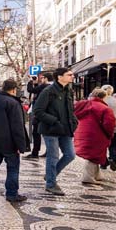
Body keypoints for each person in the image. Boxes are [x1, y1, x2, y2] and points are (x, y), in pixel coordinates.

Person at [32, 67, 78, 196]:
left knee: (70, 155)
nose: (72, 76)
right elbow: (38, 111)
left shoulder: (69, 90)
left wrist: (74, 121)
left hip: (66, 128)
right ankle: (51, 184)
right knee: (53, 157)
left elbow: (70, 109)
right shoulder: (48, 91)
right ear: (59, 77)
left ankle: (50, 175)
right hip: (51, 129)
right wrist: (54, 121)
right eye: (69, 74)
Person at [74, 88, 116, 184]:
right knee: (94, 155)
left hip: (82, 132)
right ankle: (88, 177)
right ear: (103, 97)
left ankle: (97, 175)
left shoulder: (83, 105)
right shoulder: (104, 108)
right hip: (97, 134)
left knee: (95, 154)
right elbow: (109, 124)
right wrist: (110, 135)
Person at [25, 74, 52, 160]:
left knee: (36, 133)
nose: (41, 79)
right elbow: (37, 91)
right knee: (45, 133)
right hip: (47, 113)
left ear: (46, 78)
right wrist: (36, 84)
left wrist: (30, 81)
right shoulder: (51, 86)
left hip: (40, 113)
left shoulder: (45, 86)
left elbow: (31, 90)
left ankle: (35, 152)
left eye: (42, 78)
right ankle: (48, 152)